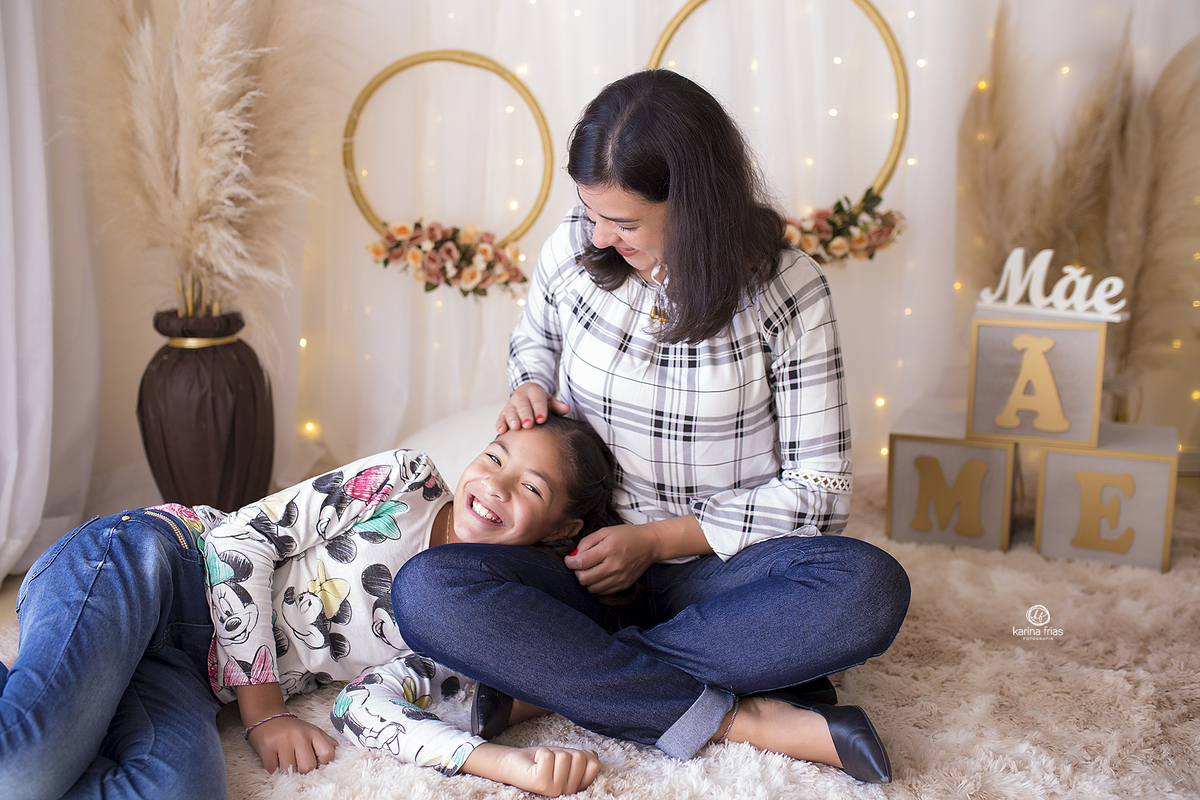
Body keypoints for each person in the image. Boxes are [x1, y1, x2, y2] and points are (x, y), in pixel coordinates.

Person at [392, 69, 912, 785]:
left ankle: (562, 672)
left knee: (870, 591)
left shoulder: (790, 291)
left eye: (625, 222)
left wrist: (655, 542)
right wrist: (530, 385)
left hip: (719, 571)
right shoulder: (577, 246)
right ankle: (745, 715)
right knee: (427, 592)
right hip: (572, 554)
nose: (599, 234)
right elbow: (533, 340)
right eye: (591, 212)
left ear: (696, 206)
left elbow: (820, 490)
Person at [0, 416, 612, 799]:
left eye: (532, 488)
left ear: (564, 529)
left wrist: (509, 766)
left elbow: (366, 707)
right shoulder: (404, 483)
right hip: (152, 567)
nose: (496, 486)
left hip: (185, 675)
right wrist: (264, 714)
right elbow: (237, 540)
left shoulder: (478, 621)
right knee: (26, 768)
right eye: (496, 456)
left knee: (174, 789)